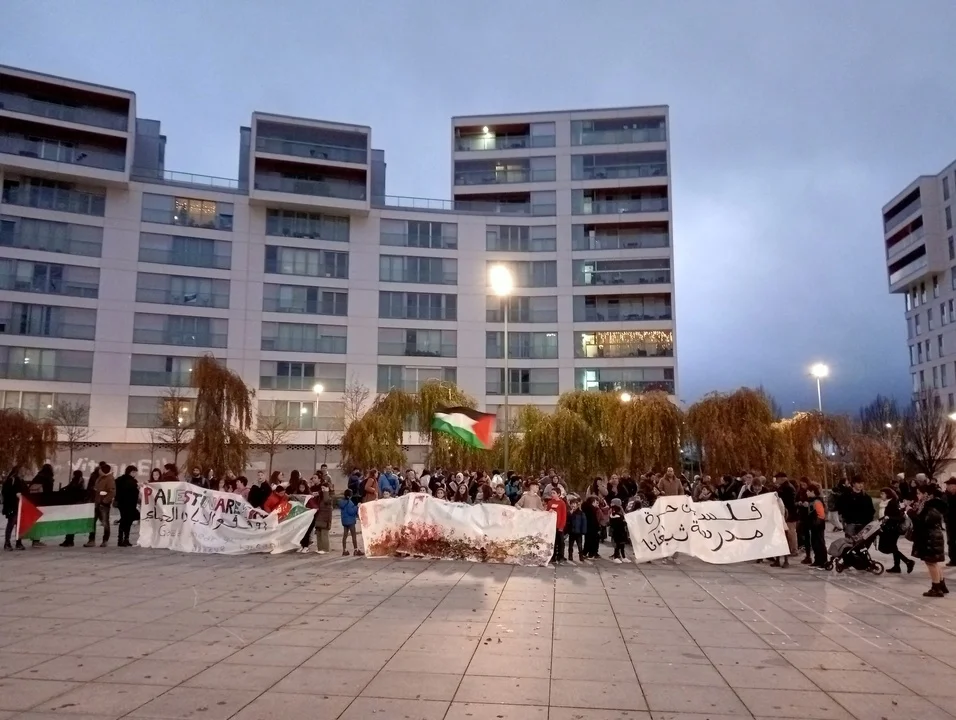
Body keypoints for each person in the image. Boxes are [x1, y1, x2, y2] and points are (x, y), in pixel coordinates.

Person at [910, 483, 948, 597]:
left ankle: (936, 588)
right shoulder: (931, 505)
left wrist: (911, 513)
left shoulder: (930, 506)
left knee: (931, 562)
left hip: (930, 537)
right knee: (934, 562)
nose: (917, 496)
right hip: (931, 536)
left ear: (925, 494)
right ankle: (941, 584)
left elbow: (923, 522)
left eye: (919, 493)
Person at [878, 487, 914, 574]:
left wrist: (888, 517)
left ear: (888, 494)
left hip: (892, 529)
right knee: (893, 547)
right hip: (888, 528)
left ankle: (908, 562)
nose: (881, 495)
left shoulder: (893, 503)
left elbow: (899, 517)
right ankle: (897, 566)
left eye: (882, 494)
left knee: (889, 547)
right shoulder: (887, 503)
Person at [85, 462, 115, 547]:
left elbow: (112, 492)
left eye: (100, 469)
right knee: (92, 522)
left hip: (103, 505)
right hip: (96, 503)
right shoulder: (100, 478)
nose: (99, 471)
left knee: (105, 522)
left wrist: (105, 501)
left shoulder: (109, 479)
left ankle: (105, 540)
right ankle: (91, 540)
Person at [59, 470, 88, 547]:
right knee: (69, 523)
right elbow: (68, 487)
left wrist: (65, 490)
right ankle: (68, 540)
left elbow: (73, 489)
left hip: (75, 504)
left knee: (71, 523)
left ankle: (70, 540)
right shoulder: (76, 481)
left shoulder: (79, 482)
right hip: (72, 503)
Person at [2, 466, 26, 551]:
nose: (24, 472)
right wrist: (16, 495)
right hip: (13, 506)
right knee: (12, 524)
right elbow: (7, 492)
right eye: (22, 471)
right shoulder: (13, 480)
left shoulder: (17, 480)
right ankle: (9, 543)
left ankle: (16, 542)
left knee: (17, 525)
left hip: (16, 506)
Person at [115, 465, 139, 547]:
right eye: (134, 472)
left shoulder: (120, 480)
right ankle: (123, 540)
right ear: (130, 472)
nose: (135, 474)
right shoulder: (130, 481)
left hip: (125, 504)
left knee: (126, 521)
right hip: (128, 504)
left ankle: (124, 539)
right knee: (126, 521)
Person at [544, 487, 566, 564]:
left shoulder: (562, 503)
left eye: (554, 493)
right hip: (552, 526)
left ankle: (561, 557)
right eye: (551, 493)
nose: (552, 494)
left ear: (558, 494)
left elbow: (563, 515)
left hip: (559, 526)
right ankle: (553, 556)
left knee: (561, 542)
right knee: (553, 542)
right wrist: (548, 511)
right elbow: (546, 513)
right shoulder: (550, 502)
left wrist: (561, 526)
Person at [338, 489, 362, 556]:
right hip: (350, 521)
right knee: (353, 535)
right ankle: (356, 550)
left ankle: (344, 550)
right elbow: (351, 512)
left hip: (344, 521)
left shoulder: (342, 502)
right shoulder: (349, 502)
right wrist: (357, 507)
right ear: (349, 496)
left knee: (345, 536)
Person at [313, 475, 333, 554]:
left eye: (324, 488)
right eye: (322, 488)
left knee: (324, 534)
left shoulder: (329, 495)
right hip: (319, 516)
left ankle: (325, 549)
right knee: (318, 533)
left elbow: (326, 500)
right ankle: (320, 548)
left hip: (325, 518)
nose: (322, 490)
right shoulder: (320, 496)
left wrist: (326, 492)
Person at [567, 495, 586, 563]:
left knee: (580, 545)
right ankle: (570, 556)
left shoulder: (581, 513)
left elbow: (584, 522)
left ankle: (581, 556)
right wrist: (570, 514)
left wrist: (583, 531)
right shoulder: (569, 513)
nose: (573, 505)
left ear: (577, 505)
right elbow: (567, 521)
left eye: (574, 504)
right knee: (570, 545)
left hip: (578, 532)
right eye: (572, 504)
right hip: (571, 532)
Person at [609, 498, 629, 563]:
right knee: (617, 544)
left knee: (622, 545)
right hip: (617, 531)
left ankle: (623, 557)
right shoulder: (614, 512)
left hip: (622, 531)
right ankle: (616, 557)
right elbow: (615, 521)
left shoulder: (620, 510)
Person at [944, 478, 956, 567]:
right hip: (949, 521)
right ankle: (953, 559)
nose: (947, 487)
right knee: (951, 541)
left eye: (949, 485)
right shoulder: (946, 495)